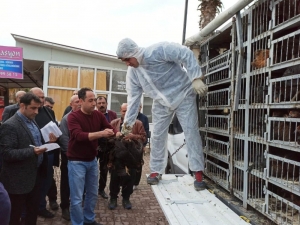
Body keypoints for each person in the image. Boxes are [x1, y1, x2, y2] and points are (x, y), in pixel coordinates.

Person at [116, 38, 208, 191]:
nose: (127, 63)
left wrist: (196, 77)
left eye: (127, 59)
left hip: (183, 93)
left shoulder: (157, 51)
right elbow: (133, 98)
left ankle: (197, 172)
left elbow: (184, 53)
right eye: (123, 60)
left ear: (134, 53)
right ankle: (156, 171)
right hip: (161, 102)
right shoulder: (133, 73)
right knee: (158, 134)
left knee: (191, 132)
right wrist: (128, 123)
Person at [67, 87, 121, 225]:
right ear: (80, 101)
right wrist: (101, 133)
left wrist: (118, 133)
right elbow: (78, 136)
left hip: (92, 161)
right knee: (77, 198)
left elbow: (109, 127)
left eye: (94, 100)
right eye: (90, 100)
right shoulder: (73, 117)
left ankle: (89, 220)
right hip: (76, 162)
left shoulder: (98, 115)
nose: (94, 103)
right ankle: (77, 223)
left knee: (92, 194)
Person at [0, 92, 48, 225]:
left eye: (38, 108)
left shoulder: (32, 122)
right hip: (17, 180)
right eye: (33, 108)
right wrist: (32, 151)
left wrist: (48, 141)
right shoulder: (10, 125)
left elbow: (35, 141)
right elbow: (7, 154)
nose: (37, 112)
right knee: (15, 215)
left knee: (32, 212)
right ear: (22, 105)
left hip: (34, 176)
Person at [108, 103, 146, 210]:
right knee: (114, 178)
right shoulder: (114, 123)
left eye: (128, 111)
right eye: (124, 111)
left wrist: (132, 136)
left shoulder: (138, 123)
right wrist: (117, 139)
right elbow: (108, 137)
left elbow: (143, 137)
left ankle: (126, 198)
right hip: (116, 156)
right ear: (120, 111)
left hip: (131, 157)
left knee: (129, 178)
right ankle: (113, 198)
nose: (125, 113)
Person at [30, 87, 60, 218]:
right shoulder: (25, 112)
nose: (42, 100)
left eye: (43, 97)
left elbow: (54, 126)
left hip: (49, 151)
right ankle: (32, 208)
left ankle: (41, 206)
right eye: (39, 97)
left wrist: (55, 137)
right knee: (34, 182)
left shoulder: (48, 111)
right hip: (34, 153)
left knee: (47, 181)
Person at [58, 95, 81, 221]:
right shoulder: (66, 119)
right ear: (71, 104)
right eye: (76, 102)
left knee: (79, 183)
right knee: (66, 182)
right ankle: (65, 207)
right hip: (69, 157)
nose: (79, 104)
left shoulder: (85, 117)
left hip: (82, 157)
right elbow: (64, 138)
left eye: (80, 101)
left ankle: (77, 205)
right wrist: (72, 154)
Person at [96, 96, 117, 199]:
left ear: (106, 103)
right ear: (96, 105)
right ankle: (88, 189)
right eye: (99, 103)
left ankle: (101, 189)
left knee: (104, 169)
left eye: (103, 103)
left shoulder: (112, 114)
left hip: (108, 147)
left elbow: (115, 128)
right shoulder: (93, 114)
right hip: (95, 146)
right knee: (91, 169)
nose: (101, 105)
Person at [43, 96, 59, 212]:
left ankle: (52, 200)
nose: (49, 109)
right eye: (47, 106)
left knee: (49, 177)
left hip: (50, 151)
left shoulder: (50, 114)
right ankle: (40, 205)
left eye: (51, 107)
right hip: (36, 152)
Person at [134, 104, 150, 190]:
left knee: (138, 164)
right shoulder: (130, 115)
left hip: (139, 144)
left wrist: (144, 144)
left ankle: (136, 183)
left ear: (140, 107)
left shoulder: (144, 118)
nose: (136, 108)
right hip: (129, 145)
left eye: (138, 106)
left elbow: (146, 132)